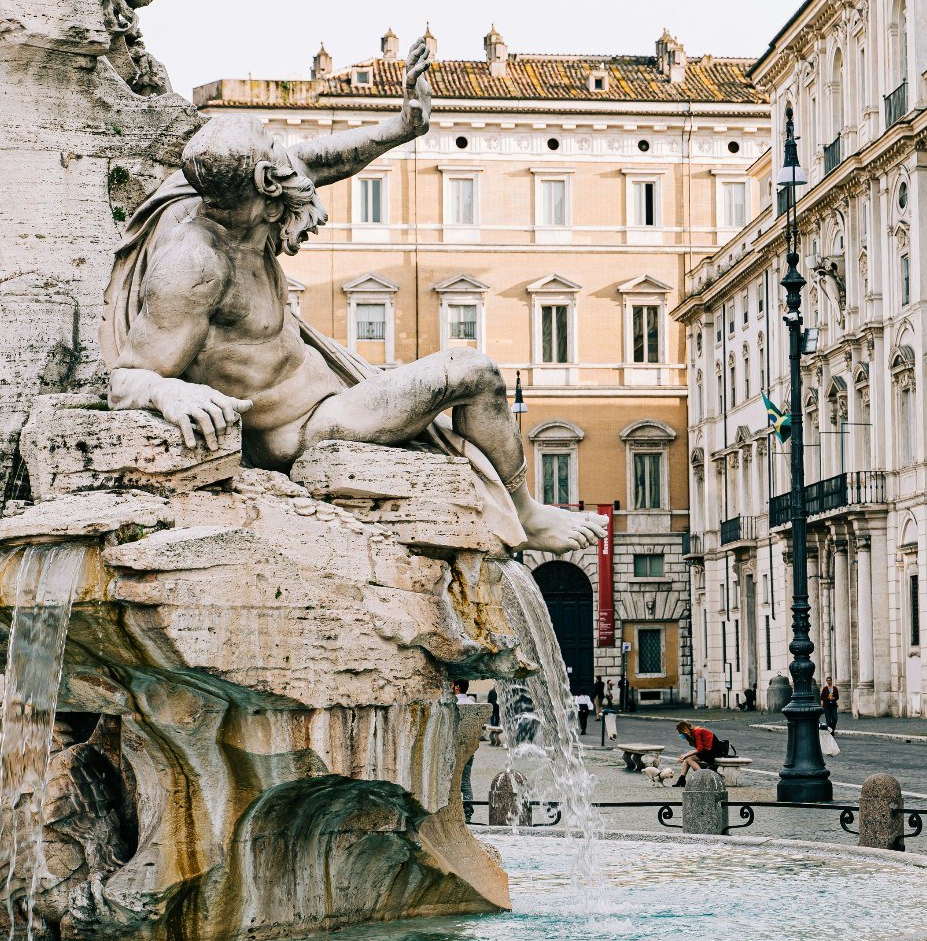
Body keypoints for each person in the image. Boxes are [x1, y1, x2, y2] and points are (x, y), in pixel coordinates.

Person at [99, 33, 606, 555]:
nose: (290, 156)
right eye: (276, 148)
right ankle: (525, 511)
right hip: (306, 427)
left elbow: (321, 158)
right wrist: (169, 391)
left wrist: (401, 125)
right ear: (264, 182)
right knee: (474, 371)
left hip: (332, 387)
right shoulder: (195, 265)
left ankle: (519, 504)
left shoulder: (236, 200)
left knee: (459, 378)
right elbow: (128, 377)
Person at [673, 720, 731, 787]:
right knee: (687, 758)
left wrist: (686, 755)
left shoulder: (697, 731)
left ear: (684, 730)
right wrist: (685, 755)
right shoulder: (692, 733)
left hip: (713, 752)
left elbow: (699, 749)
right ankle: (681, 780)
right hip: (708, 751)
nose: (680, 734)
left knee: (689, 758)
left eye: (680, 732)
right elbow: (698, 749)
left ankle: (703, 777)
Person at [452, 680, 479, 815]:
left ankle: (450, 809)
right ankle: (468, 809)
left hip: (453, 749)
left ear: (457, 687)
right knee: (466, 781)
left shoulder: (452, 703)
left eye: (452, 685)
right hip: (468, 749)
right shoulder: (472, 704)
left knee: (450, 780)